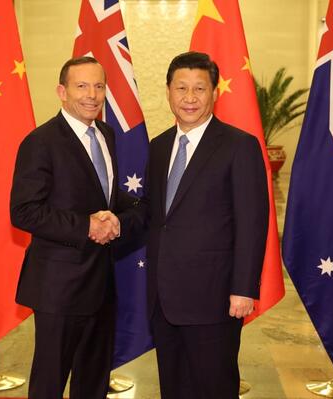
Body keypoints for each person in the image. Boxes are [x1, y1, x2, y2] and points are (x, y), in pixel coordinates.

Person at [10, 56, 139, 399]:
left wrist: (128, 215)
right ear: (61, 92)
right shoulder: (40, 142)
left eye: (99, 86)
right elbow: (24, 212)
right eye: (81, 86)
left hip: (101, 284)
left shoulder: (107, 134)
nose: (92, 95)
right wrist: (85, 226)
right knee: (50, 383)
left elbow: (106, 197)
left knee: (94, 382)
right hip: (59, 288)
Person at [143, 51, 269, 398]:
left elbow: (252, 221)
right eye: (181, 88)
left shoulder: (239, 146)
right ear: (168, 91)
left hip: (214, 298)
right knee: (174, 386)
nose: (190, 98)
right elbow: (154, 216)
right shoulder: (158, 147)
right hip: (163, 298)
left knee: (213, 387)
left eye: (200, 89)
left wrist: (243, 288)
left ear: (215, 93)